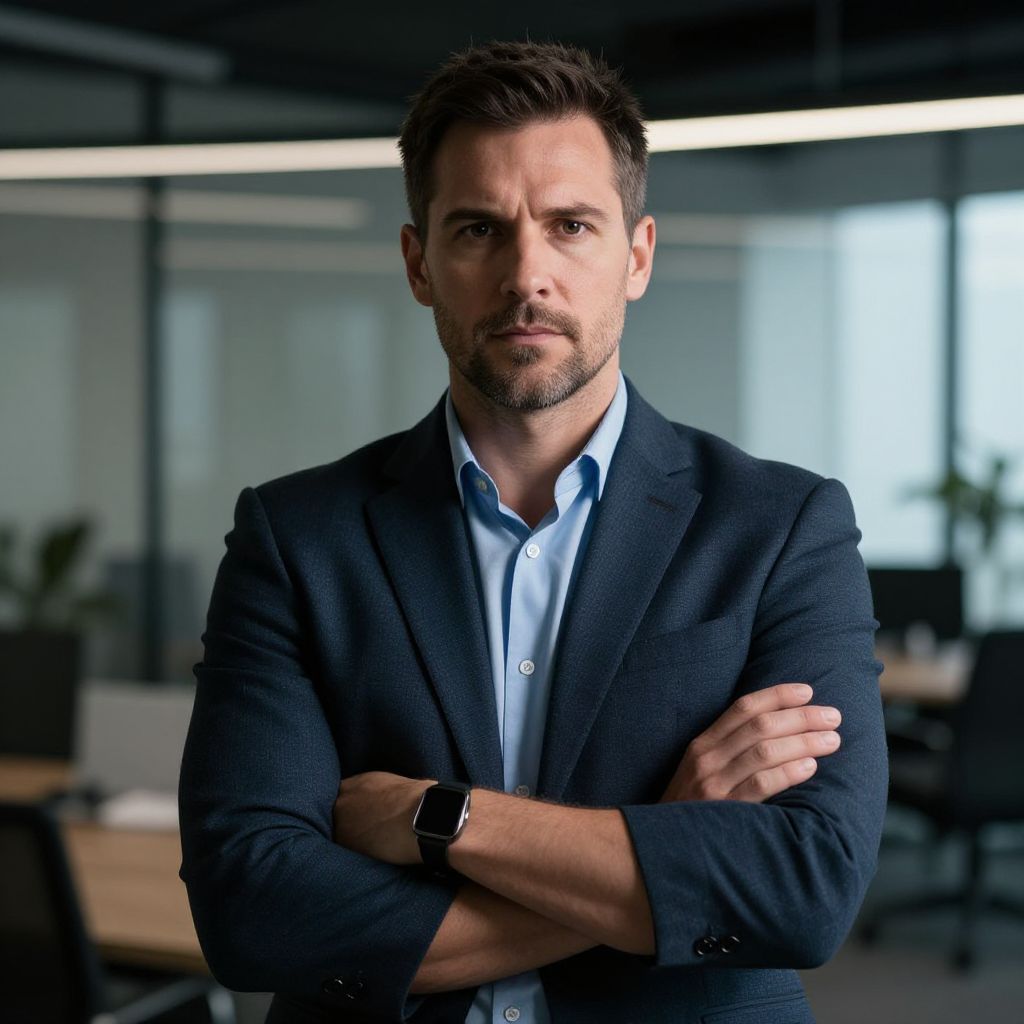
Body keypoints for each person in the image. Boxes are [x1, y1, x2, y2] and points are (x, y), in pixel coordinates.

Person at [179, 41, 887, 1024]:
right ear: (419, 263)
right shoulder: (297, 538)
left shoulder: (780, 528)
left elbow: (805, 889)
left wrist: (438, 818)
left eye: (570, 226)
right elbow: (252, 910)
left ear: (636, 256)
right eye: (479, 229)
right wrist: (670, 841)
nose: (527, 275)